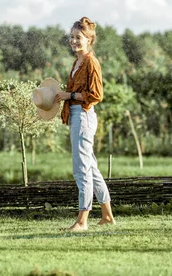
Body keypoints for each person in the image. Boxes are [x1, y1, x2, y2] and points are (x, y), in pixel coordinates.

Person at [53, 16, 115, 231]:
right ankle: (107, 215)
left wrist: (68, 94)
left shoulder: (90, 61)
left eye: (78, 37)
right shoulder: (77, 61)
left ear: (89, 39)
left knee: (81, 169)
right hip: (77, 115)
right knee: (92, 167)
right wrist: (65, 96)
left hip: (84, 115)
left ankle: (82, 221)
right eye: (71, 37)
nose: (74, 41)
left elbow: (96, 94)